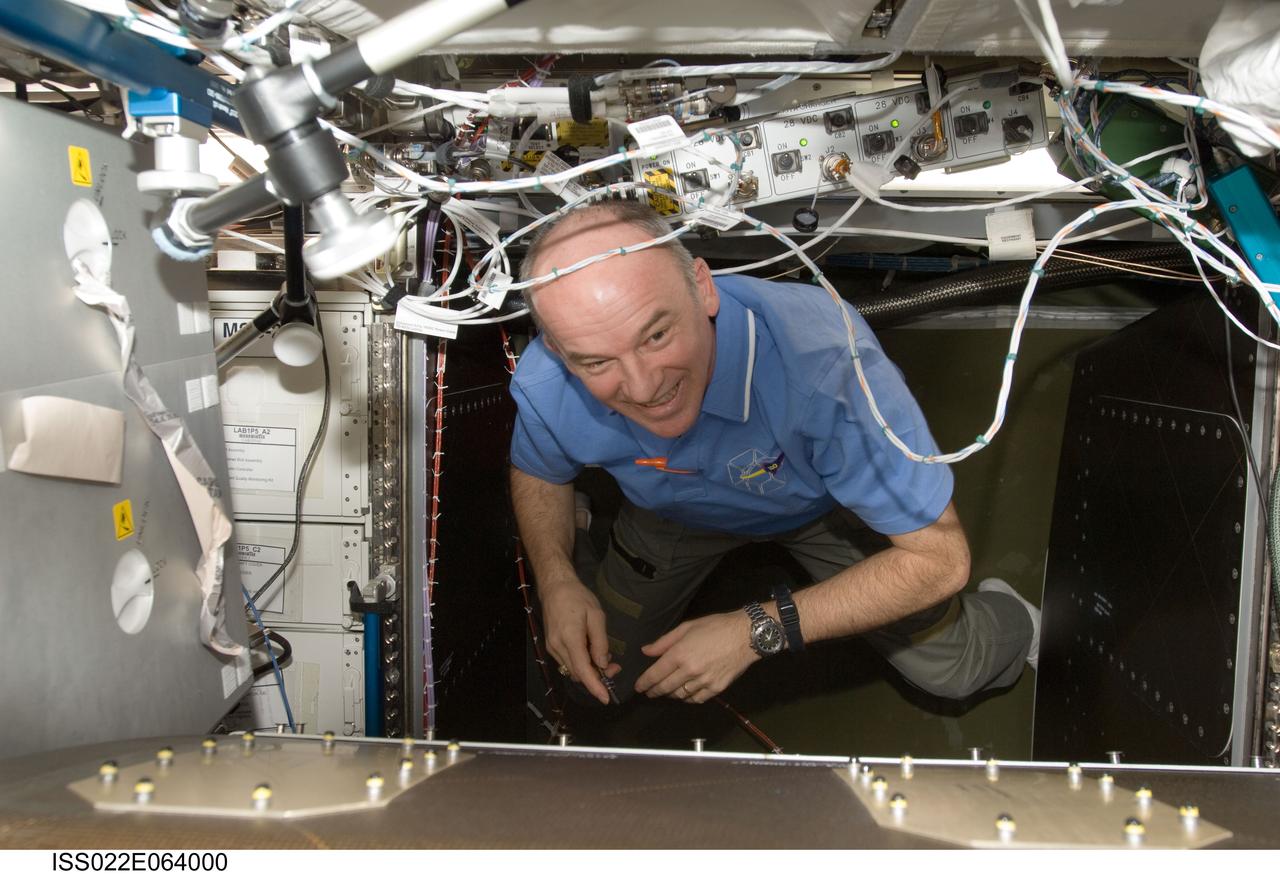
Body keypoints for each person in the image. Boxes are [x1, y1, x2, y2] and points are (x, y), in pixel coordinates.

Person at [508, 199, 1038, 708]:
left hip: (820, 508)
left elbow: (940, 562)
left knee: (954, 671)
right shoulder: (547, 380)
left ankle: (1018, 620)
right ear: (558, 351)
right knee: (593, 677)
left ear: (703, 288)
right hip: (666, 512)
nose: (644, 388)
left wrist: (757, 630)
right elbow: (539, 469)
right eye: (597, 363)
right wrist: (556, 580)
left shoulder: (827, 366)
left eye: (657, 335)